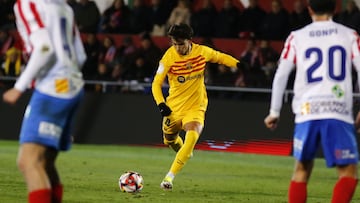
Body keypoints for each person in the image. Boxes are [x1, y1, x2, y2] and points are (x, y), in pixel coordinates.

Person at [264, 0, 359, 202]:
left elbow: (281, 75)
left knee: (301, 171)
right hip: (338, 111)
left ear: (309, 9)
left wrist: (275, 111)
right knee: (348, 173)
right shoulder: (349, 35)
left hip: (307, 112)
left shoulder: (297, 37)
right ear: (335, 9)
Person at [3, 0, 87, 202]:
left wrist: (19, 86)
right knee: (45, 162)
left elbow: (44, 47)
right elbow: (81, 55)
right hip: (74, 86)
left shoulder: (27, 4)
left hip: (53, 88)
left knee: (28, 161)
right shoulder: (63, 6)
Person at [151, 23, 241, 190]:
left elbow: (221, 57)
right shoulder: (168, 58)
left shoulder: (202, 51)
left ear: (189, 40)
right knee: (169, 140)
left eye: (180, 44)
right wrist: (161, 104)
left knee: (192, 137)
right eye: (174, 43)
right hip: (174, 108)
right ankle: (185, 151)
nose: (177, 47)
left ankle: (169, 178)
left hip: (195, 107)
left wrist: (238, 64)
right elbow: (156, 84)